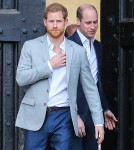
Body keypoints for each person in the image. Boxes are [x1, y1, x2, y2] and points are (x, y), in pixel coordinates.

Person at [15, 3, 104, 150]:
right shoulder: (30, 46)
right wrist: (49, 65)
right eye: (51, 21)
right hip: (36, 114)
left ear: (66, 22)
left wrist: (98, 122)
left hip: (64, 116)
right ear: (45, 22)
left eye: (59, 21)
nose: (55, 25)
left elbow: (90, 89)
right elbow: (21, 78)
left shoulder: (78, 51)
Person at [68, 3, 118, 150]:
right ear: (78, 21)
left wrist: (104, 108)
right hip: (72, 114)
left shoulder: (98, 46)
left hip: (93, 114)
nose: (93, 27)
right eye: (88, 23)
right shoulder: (67, 45)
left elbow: (95, 82)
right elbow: (62, 84)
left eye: (95, 22)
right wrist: (74, 115)